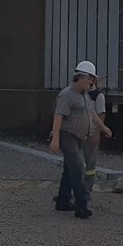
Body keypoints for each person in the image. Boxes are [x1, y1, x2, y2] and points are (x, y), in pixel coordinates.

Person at [49, 61, 112, 219]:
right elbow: (58, 117)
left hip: (78, 138)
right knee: (77, 168)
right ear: (82, 78)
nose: (92, 83)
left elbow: (92, 114)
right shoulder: (66, 95)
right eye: (90, 79)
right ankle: (81, 206)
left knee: (69, 170)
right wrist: (55, 139)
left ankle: (63, 201)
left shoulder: (84, 95)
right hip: (67, 136)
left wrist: (103, 128)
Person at [83, 84, 107, 198]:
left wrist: (97, 134)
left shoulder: (98, 96)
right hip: (78, 133)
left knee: (90, 165)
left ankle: (87, 190)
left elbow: (100, 116)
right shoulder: (80, 93)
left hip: (91, 134)